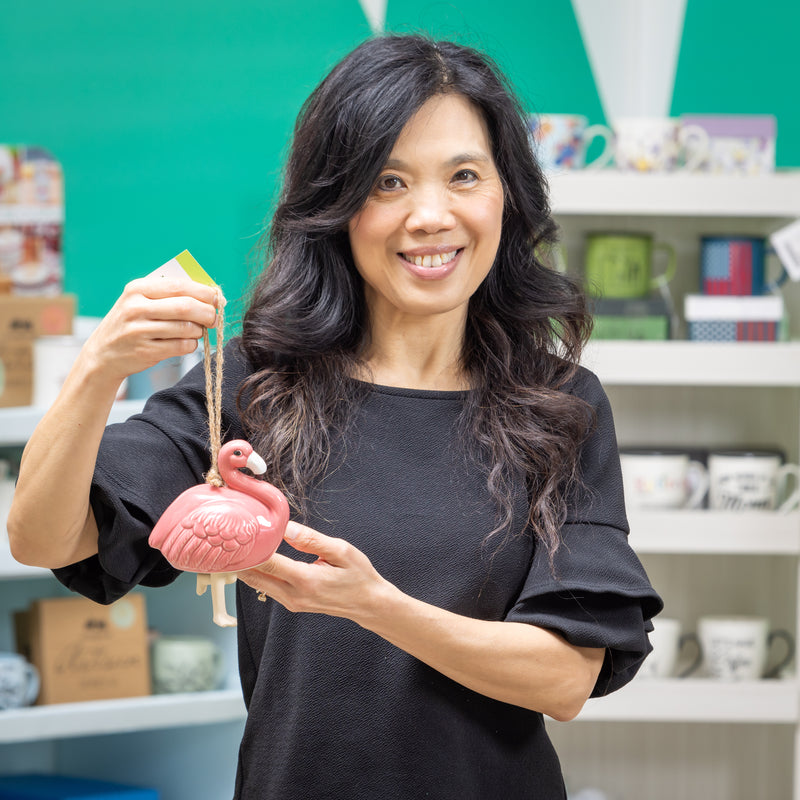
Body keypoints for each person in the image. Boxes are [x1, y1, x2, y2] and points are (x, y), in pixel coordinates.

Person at [9, 34, 662, 800]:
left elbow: (563, 677)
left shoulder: (562, 405)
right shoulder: (256, 384)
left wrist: (374, 607)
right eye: (387, 181)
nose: (430, 215)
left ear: (507, 194)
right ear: (337, 206)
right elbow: (46, 537)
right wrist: (96, 369)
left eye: (463, 176)